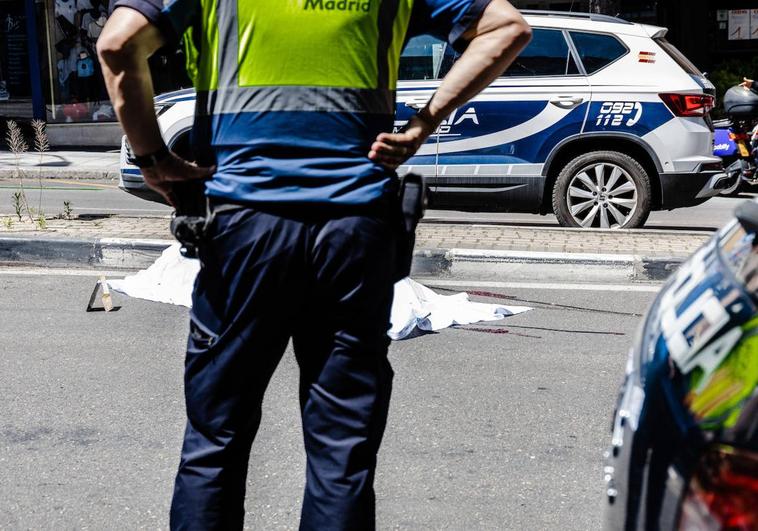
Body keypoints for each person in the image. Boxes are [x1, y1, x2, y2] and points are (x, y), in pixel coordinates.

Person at [97, 0, 531, 528]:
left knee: (216, 437)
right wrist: (422, 125)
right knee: (341, 452)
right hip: (354, 232)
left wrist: (153, 159)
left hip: (243, 229)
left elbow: (118, 44)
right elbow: (507, 28)